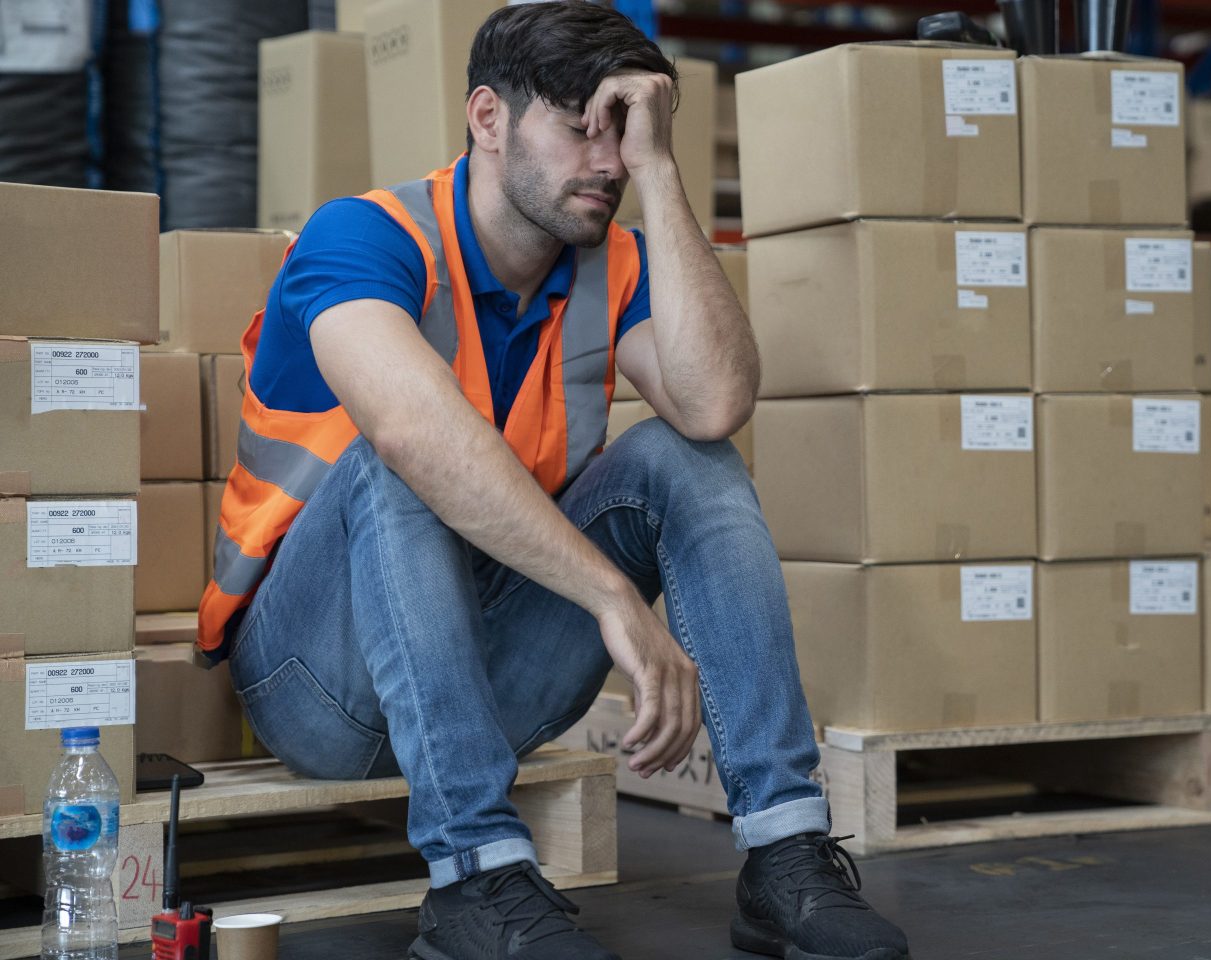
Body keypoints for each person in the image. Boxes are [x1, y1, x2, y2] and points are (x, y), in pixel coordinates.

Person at [196, 3, 910, 958]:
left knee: (682, 456)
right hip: (320, 683)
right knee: (397, 458)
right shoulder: (363, 239)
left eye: (628, 132)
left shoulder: (610, 262)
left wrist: (663, 170)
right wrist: (614, 596)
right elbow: (413, 432)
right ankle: (476, 880)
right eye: (584, 127)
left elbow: (715, 404)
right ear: (487, 118)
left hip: (490, 677)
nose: (608, 160)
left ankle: (784, 849)